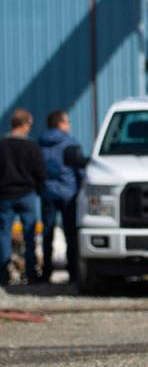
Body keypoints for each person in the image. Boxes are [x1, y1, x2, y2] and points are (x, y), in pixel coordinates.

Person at [37, 110, 88, 284]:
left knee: (47, 233)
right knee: (70, 234)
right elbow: (79, 169)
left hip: (47, 192)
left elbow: (37, 169)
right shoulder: (70, 142)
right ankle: (73, 272)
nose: (69, 125)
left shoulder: (40, 143)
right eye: (68, 122)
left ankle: (46, 272)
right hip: (68, 193)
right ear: (60, 123)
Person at [0, 109, 45, 286]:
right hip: (27, 195)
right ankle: (31, 272)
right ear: (25, 124)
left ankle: (4, 273)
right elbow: (40, 172)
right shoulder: (31, 147)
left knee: (3, 234)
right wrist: (40, 189)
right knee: (29, 234)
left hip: (5, 196)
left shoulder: (2, 146)